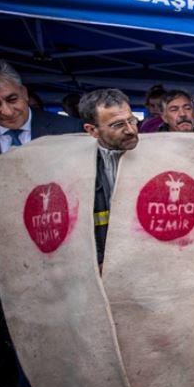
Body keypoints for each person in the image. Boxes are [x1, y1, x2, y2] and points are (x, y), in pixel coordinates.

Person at [0, 57, 83, 387]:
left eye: (12, 99)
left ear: (25, 93)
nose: (7, 110)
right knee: (23, 328)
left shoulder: (68, 131)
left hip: (70, 251)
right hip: (5, 259)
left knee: (77, 322)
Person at [78, 89, 139, 269]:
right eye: (117, 124)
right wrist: (96, 260)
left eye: (132, 120)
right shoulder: (77, 168)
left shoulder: (157, 159)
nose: (130, 130)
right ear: (92, 130)